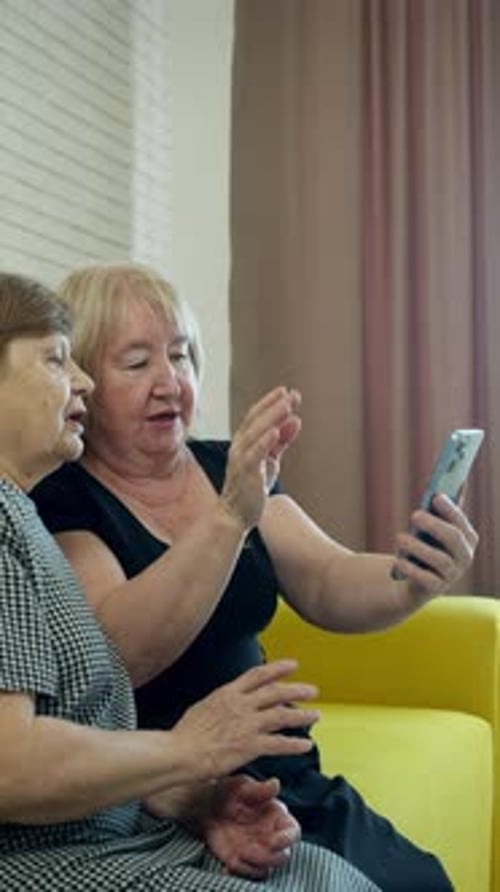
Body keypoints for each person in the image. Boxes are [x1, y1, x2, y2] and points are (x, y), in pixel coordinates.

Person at [32, 263, 477, 891]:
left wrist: (412, 578)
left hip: (285, 775)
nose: (170, 382)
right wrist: (230, 517)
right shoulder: (66, 497)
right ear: (82, 384)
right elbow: (118, 655)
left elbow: (328, 578)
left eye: (181, 356)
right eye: (137, 364)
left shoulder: (225, 467)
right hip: (166, 793)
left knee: (423, 883)